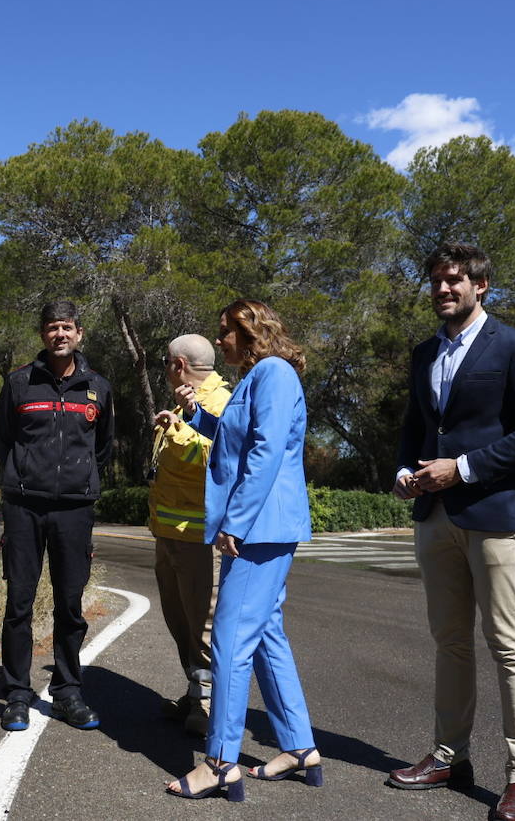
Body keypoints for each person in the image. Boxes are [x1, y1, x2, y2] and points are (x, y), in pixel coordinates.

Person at [386, 242, 515, 821]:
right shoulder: (423, 354)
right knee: (449, 643)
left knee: (510, 646)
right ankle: (449, 756)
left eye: (454, 280)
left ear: (481, 285)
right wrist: (406, 472)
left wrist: (460, 468)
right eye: (436, 281)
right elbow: (416, 427)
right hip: (434, 519)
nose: (442, 289)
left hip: (497, 516)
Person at [163, 300, 321, 802]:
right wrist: (195, 415)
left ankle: (220, 762)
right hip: (263, 524)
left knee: (230, 641)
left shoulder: (272, 373)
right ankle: (298, 747)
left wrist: (236, 521)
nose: (221, 342)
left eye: (226, 333)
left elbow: (267, 450)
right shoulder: (259, 377)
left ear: (249, 333)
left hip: (260, 526)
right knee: (267, 633)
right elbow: (236, 439)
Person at [0, 300, 114, 733]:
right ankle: (17, 695)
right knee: (19, 605)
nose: (59, 334)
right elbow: (4, 440)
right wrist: (23, 478)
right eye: (51, 328)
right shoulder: (20, 382)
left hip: (75, 511)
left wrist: (76, 482)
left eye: (66, 327)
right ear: (42, 334)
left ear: (79, 334)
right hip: (24, 507)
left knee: (70, 605)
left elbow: (103, 447)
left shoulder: (98, 387)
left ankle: (67, 692)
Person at [149, 334, 231, 738]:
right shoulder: (188, 400)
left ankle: (207, 704)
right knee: (180, 620)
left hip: (200, 537)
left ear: (178, 364)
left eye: (166, 362)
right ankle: (194, 691)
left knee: (203, 624)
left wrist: (179, 428)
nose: (164, 370)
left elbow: (215, 457)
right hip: (169, 533)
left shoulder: (219, 402)